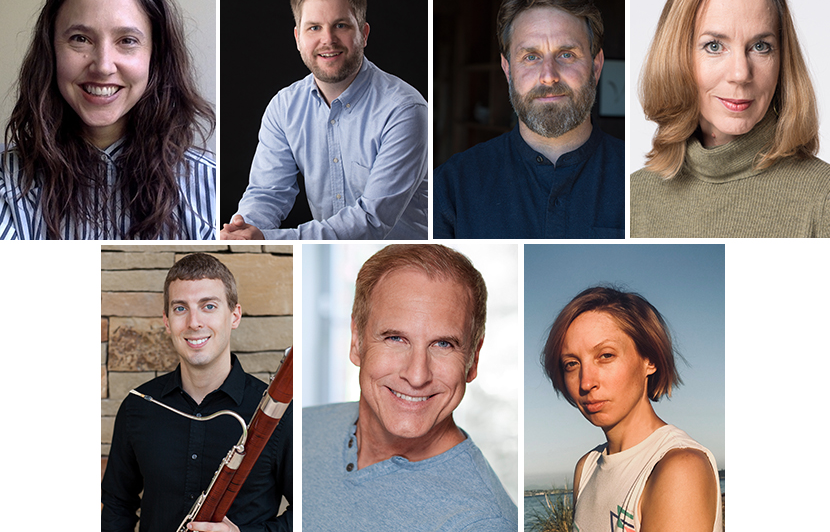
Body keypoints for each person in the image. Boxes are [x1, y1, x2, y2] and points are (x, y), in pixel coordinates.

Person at [302, 244, 517, 531]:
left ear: (473, 359)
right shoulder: (302, 427)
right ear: (357, 341)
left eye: (443, 344)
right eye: (395, 339)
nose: (417, 375)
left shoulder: (481, 522)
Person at [1, 0, 216, 240]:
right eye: (80, 39)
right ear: (50, 50)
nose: (103, 66)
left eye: (127, 40)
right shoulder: (7, 180)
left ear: (156, 57)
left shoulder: (210, 185)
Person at [630, 0, 830, 237]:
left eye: (761, 46)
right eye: (714, 46)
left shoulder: (823, 196)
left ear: (782, 61)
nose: (740, 73)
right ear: (677, 58)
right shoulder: (635, 195)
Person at [220, 0, 427, 240]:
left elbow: (372, 220)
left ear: (363, 33)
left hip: (402, 257)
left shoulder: (405, 110)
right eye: (314, 28)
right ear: (298, 38)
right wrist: (242, 230)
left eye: (340, 25)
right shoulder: (284, 107)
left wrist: (268, 239)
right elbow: (267, 193)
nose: (327, 39)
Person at [102, 253, 292, 532]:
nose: (194, 322)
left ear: (234, 316)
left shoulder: (277, 412)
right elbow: (118, 508)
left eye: (209, 306)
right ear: (167, 322)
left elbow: (310, 510)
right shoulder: (138, 407)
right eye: (181, 309)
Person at [433, 0, 624, 239]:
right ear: (508, 69)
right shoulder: (451, 186)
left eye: (566, 54)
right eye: (531, 57)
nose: (548, 76)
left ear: (596, 66)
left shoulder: (642, 180)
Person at [541, 286, 722, 532]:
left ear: (650, 360)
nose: (586, 382)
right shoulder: (587, 467)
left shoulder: (679, 467)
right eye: (571, 364)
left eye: (605, 356)